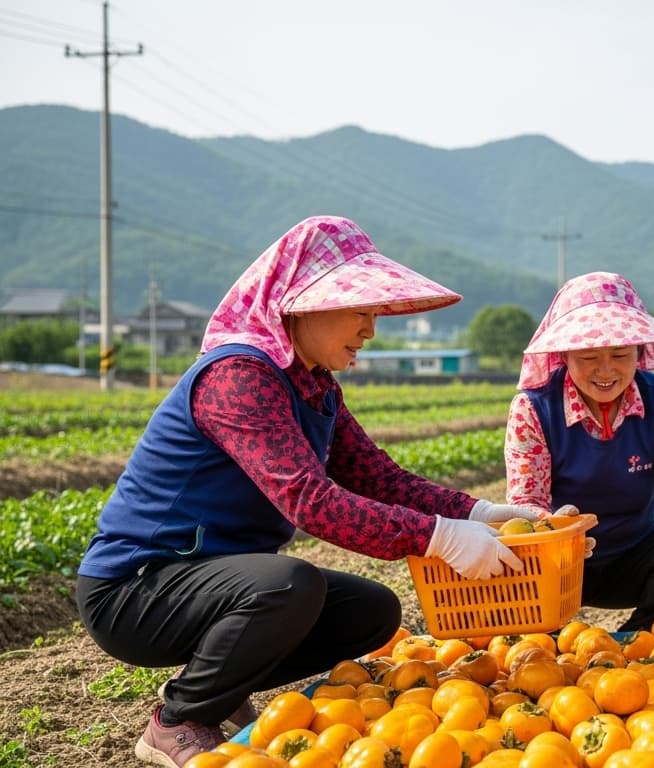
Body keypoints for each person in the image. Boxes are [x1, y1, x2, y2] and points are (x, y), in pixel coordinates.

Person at [76, 216, 566, 768]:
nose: (370, 329)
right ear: (303, 304)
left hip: (210, 585)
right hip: (138, 587)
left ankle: (222, 688)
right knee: (289, 585)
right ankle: (179, 719)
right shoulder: (239, 375)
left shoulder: (313, 386)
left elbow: (379, 478)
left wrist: (479, 511)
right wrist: (439, 537)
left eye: (374, 313)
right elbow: (310, 500)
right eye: (361, 311)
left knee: (370, 612)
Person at [505, 271, 654, 632]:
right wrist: (561, 527)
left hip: (636, 559)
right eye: (589, 356)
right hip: (561, 565)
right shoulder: (534, 409)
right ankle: (554, 641)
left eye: (621, 354)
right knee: (520, 549)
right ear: (564, 355)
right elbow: (527, 501)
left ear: (640, 352)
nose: (606, 370)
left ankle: (641, 639)